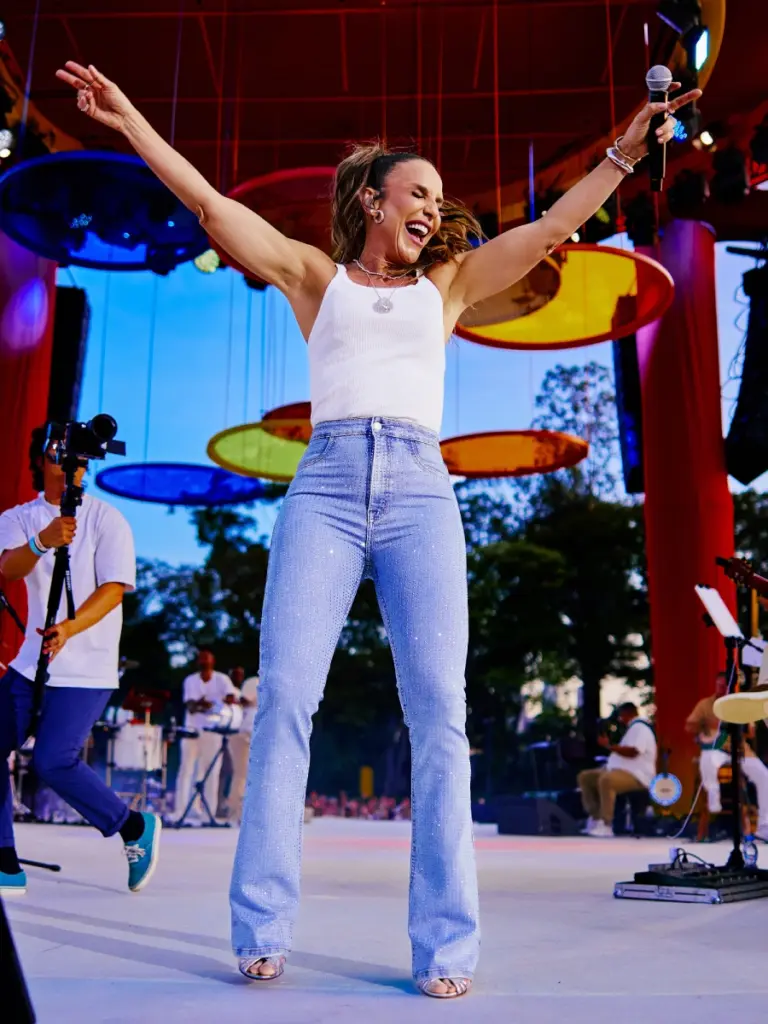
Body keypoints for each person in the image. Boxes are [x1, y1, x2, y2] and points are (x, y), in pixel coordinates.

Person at [57, 57, 696, 998]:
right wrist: (130, 121)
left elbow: (550, 227)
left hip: (420, 493)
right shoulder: (316, 278)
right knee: (285, 701)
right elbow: (208, 206)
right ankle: (261, 926)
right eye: (418, 192)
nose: (433, 207)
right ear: (372, 200)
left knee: (440, 716)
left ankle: (446, 947)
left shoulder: (452, 284)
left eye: (438, 197)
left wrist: (622, 154)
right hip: (324, 485)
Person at [0, 426, 161, 895]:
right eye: (57, 452)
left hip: (86, 667)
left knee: (53, 760)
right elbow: (8, 567)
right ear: (40, 461)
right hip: (32, 663)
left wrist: (70, 628)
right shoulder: (20, 517)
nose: (69, 463)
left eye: (76, 457)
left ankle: (133, 827)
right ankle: (5, 859)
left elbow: (113, 589)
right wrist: (42, 541)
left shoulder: (107, 519)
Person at [686, 672, 768, 841]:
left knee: (764, 775)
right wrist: (705, 724)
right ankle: (714, 800)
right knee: (708, 758)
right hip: (716, 748)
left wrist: (742, 725)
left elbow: (751, 733)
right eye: (719, 685)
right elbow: (689, 726)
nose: (722, 689)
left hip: (739, 749)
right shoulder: (705, 704)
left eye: (725, 686)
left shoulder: (739, 702)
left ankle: (764, 827)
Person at [172, 648, 236, 824]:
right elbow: (191, 707)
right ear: (197, 662)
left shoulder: (222, 679)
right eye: (201, 659)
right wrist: (212, 704)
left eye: (207, 659)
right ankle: (181, 811)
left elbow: (231, 698)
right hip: (191, 731)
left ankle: (208, 814)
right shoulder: (190, 680)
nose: (204, 662)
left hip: (213, 731)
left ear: (213, 661)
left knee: (211, 773)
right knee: (186, 770)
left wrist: (206, 704)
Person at [577, 703, 658, 838]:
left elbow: (634, 751)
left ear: (628, 714)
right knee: (585, 777)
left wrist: (609, 746)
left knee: (607, 780)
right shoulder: (632, 729)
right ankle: (595, 818)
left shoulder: (640, 728)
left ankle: (606, 824)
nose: (620, 719)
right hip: (619, 770)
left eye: (621, 716)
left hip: (637, 775)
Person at [219, 668, 258, 824]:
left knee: (250, 775)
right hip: (243, 734)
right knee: (241, 774)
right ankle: (234, 812)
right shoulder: (254, 682)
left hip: (256, 736)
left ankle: (245, 812)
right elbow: (244, 701)